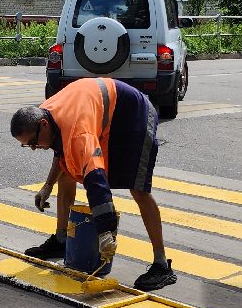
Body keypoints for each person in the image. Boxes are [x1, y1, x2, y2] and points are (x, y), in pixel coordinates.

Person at [10, 77, 177, 292]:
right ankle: (61, 240)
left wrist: (105, 232)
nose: (33, 148)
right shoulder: (47, 115)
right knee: (67, 173)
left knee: (138, 188)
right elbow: (61, 152)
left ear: (43, 125)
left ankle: (161, 265)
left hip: (134, 114)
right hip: (104, 113)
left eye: (33, 142)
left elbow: (96, 181)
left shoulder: (78, 133)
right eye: (27, 145)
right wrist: (48, 185)